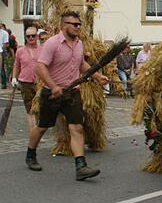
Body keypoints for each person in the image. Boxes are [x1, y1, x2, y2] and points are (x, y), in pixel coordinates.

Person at [25, 11, 109, 181]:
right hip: (52, 94)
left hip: (72, 92)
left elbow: (81, 64)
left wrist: (97, 76)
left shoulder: (79, 44)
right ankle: (30, 155)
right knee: (42, 127)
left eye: (80, 24)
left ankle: (81, 167)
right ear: (64, 25)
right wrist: (54, 86)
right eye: (75, 24)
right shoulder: (52, 43)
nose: (78, 27)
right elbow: (40, 67)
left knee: (76, 128)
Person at [12, 26, 40, 132]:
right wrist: (14, 78)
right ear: (25, 37)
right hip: (25, 83)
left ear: (37, 36)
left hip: (40, 83)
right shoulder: (20, 51)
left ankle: (38, 131)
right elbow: (16, 65)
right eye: (28, 36)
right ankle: (33, 133)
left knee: (39, 108)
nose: (31, 38)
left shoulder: (43, 49)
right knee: (30, 110)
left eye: (33, 35)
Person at [0, 23, 9, 89]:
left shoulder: (5, 33)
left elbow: (6, 44)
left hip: (2, 51)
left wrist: (1, 50)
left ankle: (4, 83)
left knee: (1, 67)